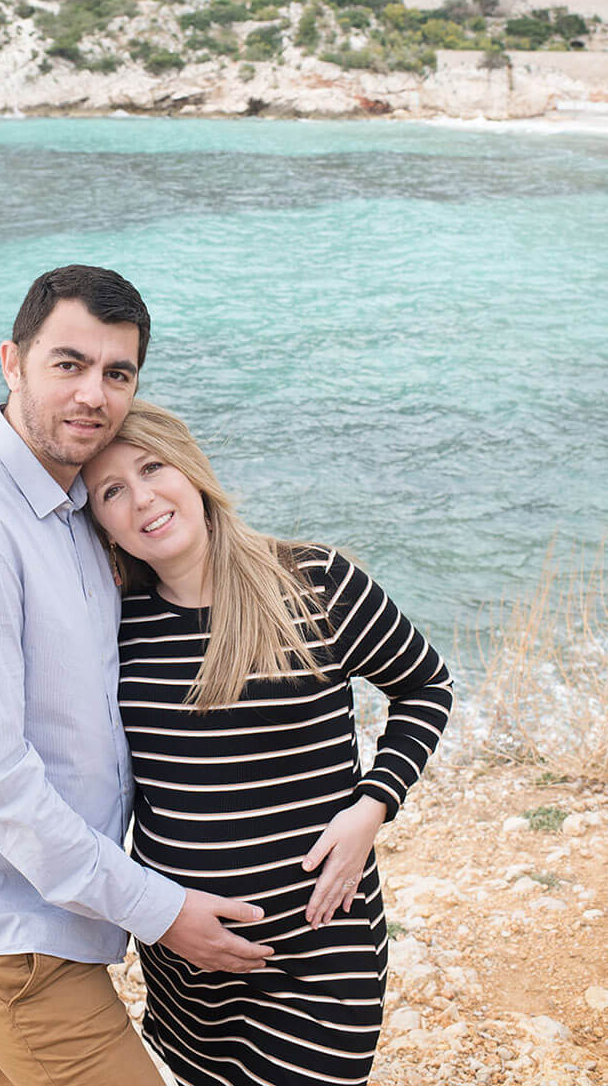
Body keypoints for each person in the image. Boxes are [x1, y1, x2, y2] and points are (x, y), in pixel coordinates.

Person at [0, 266, 272, 1086]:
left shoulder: (73, 512)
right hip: (5, 930)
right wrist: (161, 913)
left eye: (117, 373)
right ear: (11, 362)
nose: (94, 393)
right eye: (69, 363)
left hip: (49, 916)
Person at [83, 400, 454, 1086]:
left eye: (152, 466)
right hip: (189, 968)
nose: (142, 498)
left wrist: (372, 805)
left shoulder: (316, 582)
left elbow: (426, 686)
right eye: (111, 490)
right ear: (100, 522)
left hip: (323, 948)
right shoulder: (113, 627)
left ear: (190, 467)